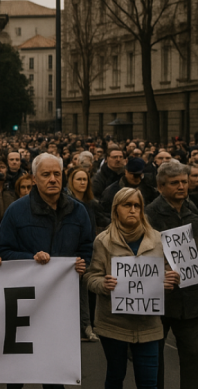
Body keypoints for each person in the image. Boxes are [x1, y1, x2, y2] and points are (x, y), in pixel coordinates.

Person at [0, 153, 92, 389]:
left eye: (56, 174)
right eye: (46, 174)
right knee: (17, 369)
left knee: (53, 368)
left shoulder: (78, 212)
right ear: (35, 178)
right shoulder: (16, 211)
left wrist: (82, 264)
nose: (52, 179)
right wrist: (31, 260)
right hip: (23, 302)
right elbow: (2, 250)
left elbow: (87, 248)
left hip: (60, 303)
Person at [85, 188, 179, 389]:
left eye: (137, 205)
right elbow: (91, 277)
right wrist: (103, 284)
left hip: (149, 325)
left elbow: (167, 273)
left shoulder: (158, 240)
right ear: (115, 209)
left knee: (148, 383)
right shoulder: (103, 241)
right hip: (113, 324)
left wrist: (169, 280)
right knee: (115, 377)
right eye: (127, 205)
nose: (133, 210)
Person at [144, 160, 198, 389]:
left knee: (193, 357)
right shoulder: (148, 215)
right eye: (174, 183)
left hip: (190, 300)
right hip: (160, 299)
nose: (181, 187)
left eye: (184, 182)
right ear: (160, 186)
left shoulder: (192, 210)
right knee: (155, 361)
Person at [67, 167, 104, 343]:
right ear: (71, 182)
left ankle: (88, 325)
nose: (82, 183)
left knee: (88, 290)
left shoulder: (91, 203)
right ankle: (82, 326)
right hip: (73, 253)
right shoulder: (67, 203)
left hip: (89, 250)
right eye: (78, 179)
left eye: (85, 179)